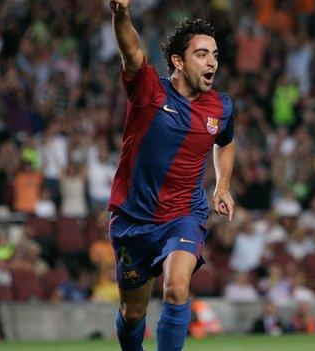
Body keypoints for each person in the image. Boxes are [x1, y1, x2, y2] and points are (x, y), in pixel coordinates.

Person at [107, 2, 236, 351]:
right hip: (134, 218)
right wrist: (121, 16)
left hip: (184, 215)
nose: (212, 62)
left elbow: (225, 142)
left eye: (214, 55)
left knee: (176, 288)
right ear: (178, 61)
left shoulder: (220, 107)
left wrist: (222, 184)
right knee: (133, 312)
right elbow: (132, 51)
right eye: (201, 54)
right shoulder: (149, 91)